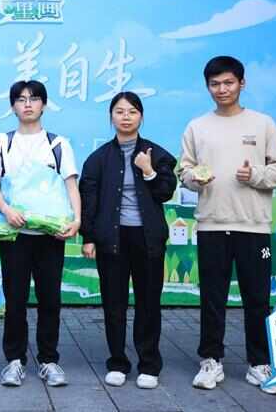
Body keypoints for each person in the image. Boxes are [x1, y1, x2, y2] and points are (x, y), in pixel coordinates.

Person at [179, 56, 276, 395]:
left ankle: (259, 364)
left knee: (257, 298)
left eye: (228, 82)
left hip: (252, 226)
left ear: (242, 83)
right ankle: (210, 361)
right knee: (212, 298)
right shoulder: (197, 126)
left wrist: (255, 175)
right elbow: (184, 171)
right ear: (207, 87)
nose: (222, 89)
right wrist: (195, 179)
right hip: (211, 225)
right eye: (215, 84)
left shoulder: (262, 124)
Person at [79, 92, 177, 390]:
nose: (125, 117)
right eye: (119, 111)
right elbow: (89, 202)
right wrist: (88, 237)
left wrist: (148, 170)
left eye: (132, 111)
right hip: (112, 238)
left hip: (147, 238)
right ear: (111, 117)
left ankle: (149, 364)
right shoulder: (98, 159)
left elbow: (165, 192)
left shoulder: (157, 154)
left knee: (149, 302)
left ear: (141, 117)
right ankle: (118, 362)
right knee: (114, 303)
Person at [0, 80, 81, 388]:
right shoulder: (3, 142)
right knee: (14, 298)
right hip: (15, 234)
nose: (27, 104)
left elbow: (70, 185)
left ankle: (49, 360)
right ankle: (14, 361)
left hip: (50, 236)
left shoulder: (58, 144)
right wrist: (6, 210)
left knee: (50, 298)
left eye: (34, 98)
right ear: (13, 106)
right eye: (21, 99)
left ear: (44, 105)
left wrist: (77, 220)